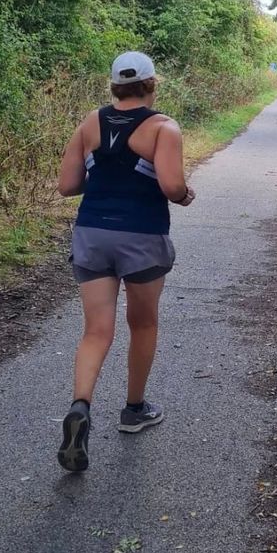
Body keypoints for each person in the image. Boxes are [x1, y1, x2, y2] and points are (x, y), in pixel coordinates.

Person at [55, 51, 195, 472]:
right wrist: (186, 194)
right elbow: (171, 186)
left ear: (114, 86)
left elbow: (66, 186)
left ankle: (81, 406)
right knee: (143, 323)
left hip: (92, 233)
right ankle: (134, 410)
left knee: (96, 330)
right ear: (152, 84)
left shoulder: (89, 123)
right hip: (141, 235)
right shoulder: (162, 127)